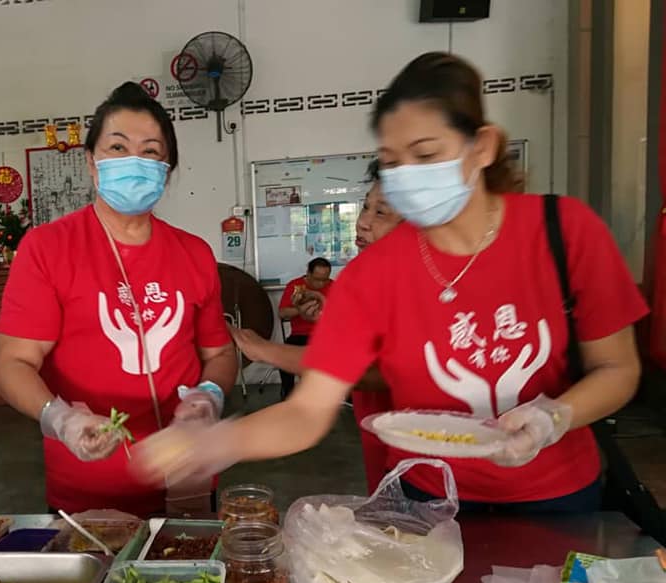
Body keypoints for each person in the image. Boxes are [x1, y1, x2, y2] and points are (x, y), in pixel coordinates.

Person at [137, 52, 647, 515]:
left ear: (483, 147)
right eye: (392, 161)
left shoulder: (564, 232)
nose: (407, 175)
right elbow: (308, 411)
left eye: (425, 154)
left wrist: (555, 417)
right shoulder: (372, 274)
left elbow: (618, 368)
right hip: (429, 500)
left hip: (559, 497)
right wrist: (216, 444)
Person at [0, 82, 236, 517]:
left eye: (150, 151)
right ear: (91, 161)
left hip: (187, 473)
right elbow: (10, 364)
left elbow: (219, 353)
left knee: (192, 558)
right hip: (88, 482)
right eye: (118, 147)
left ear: (167, 169)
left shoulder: (194, 253)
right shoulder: (48, 248)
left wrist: (210, 395)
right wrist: (61, 419)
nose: (134, 162)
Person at [232, 165, 403, 492]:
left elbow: (378, 370)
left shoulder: (419, 283)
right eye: (366, 207)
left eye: (381, 213)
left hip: (421, 458)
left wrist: (270, 352)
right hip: (379, 440)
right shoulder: (362, 276)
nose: (363, 222)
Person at [277, 257, 332, 399]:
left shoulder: (334, 286)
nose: (321, 284)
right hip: (301, 335)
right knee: (284, 356)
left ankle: (348, 397)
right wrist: (300, 310)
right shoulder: (295, 286)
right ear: (308, 273)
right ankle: (288, 394)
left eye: (325, 280)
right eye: (317, 279)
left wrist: (320, 297)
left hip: (327, 335)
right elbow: (282, 313)